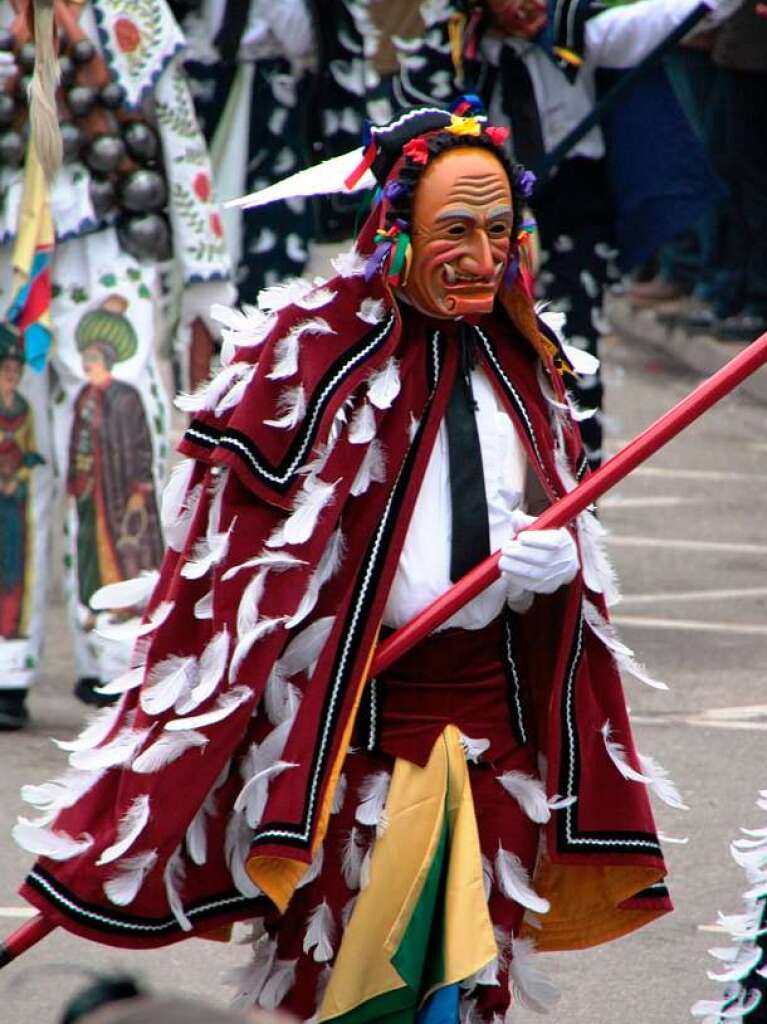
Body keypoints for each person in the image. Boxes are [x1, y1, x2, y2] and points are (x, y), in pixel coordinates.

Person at [14, 103, 681, 1022]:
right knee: (342, 987)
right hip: (358, 729)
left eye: (500, 231)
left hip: (494, 730)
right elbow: (235, 563)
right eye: (455, 230)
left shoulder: (531, 358)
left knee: (467, 984)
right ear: (394, 230)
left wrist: (554, 562)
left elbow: (551, 505)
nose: (484, 257)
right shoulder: (308, 356)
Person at [0, 0, 232, 727]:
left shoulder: (132, 10)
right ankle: (4, 653)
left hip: (111, 244)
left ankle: (116, 648)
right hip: (8, 232)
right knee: (9, 437)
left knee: (117, 426)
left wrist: (206, 277)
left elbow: (180, 135)